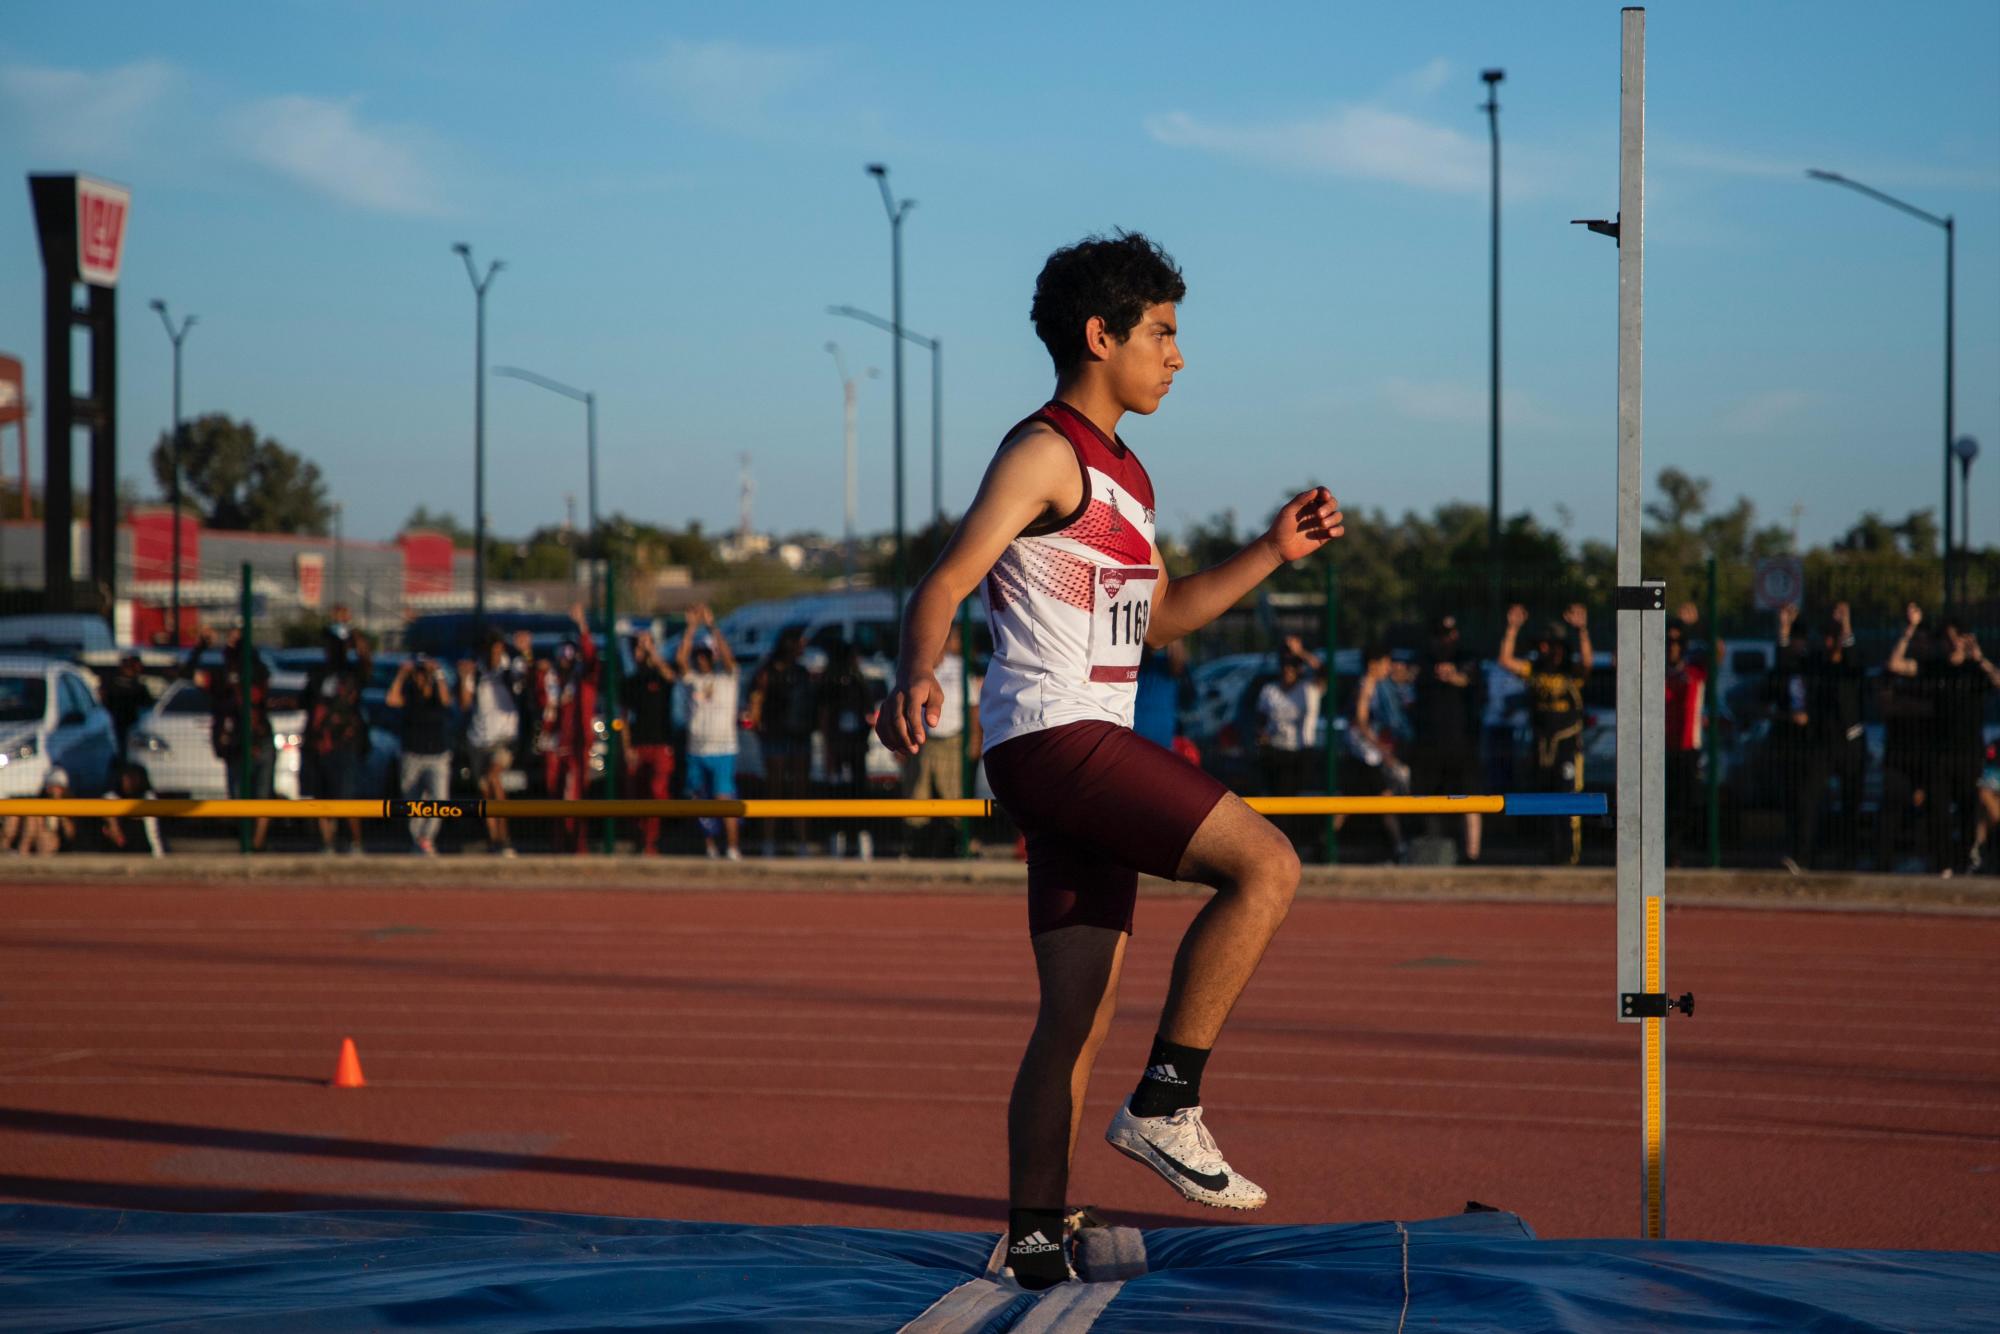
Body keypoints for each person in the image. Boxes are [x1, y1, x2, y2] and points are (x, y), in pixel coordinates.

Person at [876, 231, 1344, 1289]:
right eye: (1163, 333)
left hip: (1084, 741)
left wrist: (1271, 550)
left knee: (1073, 1015)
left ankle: (1035, 1234)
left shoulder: (1126, 473)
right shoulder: (1043, 451)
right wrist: (917, 673)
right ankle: (1168, 1099)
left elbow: (1160, 617)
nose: (1177, 356)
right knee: (1265, 863)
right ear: (1101, 335)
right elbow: (943, 582)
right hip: (1052, 736)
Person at [1889, 604, 1999, 875]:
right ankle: (1943, 864)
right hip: (1939, 752)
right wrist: (1909, 630)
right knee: (1937, 810)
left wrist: (1980, 658)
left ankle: (1965, 861)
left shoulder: (1975, 671)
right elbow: (1894, 664)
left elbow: (1997, 683)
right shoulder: (1935, 667)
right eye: (1947, 638)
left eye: (1956, 637)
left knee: (1967, 810)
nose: (1952, 643)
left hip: (1968, 752)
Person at [1776, 602, 1866, 873]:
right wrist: (1784, 628)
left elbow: (1853, 661)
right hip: (1823, 743)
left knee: (1851, 801)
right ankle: (1803, 857)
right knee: (1808, 798)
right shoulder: (1817, 664)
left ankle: (1848, 857)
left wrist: (1846, 624)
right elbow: (1788, 664)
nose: (1829, 642)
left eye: (1834, 637)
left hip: (1850, 742)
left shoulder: (1850, 665)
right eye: (1826, 637)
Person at [1499, 603, 1591, 866]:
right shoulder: (1535, 670)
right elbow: (1505, 660)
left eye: (1550, 645)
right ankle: (1551, 853)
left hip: (1567, 747)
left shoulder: (1571, 673)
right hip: (1542, 746)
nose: (1545, 649)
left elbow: (1587, 663)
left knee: (1569, 802)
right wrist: (1512, 628)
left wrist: (1582, 630)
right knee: (1546, 802)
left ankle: (1570, 856)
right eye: (1542, 644)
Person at [184, 628, 274, 853]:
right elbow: (188, 674)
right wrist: (200, 648)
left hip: (259, 740)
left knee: (262, 795)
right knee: (238, 796)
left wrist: (242, 643)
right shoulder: (221, 678)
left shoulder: (256, 673)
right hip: (235, 744)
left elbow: (260, 675)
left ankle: (257, 842)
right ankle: (248, 841)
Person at [903, 622, 982, 858]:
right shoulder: (914, 669)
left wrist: (975, 739)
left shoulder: (959, 668)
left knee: (954, 796)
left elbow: (973, 707)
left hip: (952, 742)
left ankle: (961, 845)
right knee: (917, 796)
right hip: (924, 742)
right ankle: (918, 847)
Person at [1409, 615, 1482, 862]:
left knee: (1471, 799)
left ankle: (1472, 854)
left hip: (1462, 743)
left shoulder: (1467, 658)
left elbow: (1470, 680)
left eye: (1449, 634)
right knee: (1430, 797)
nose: (1445, 640)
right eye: (1441, 635)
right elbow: (1409, 678)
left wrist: (1455, 676)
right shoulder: (1423, 660)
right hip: (1430, 743)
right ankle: (1436, 850)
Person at [676, 604, 742, 860]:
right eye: (699, 655)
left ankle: (733, 846)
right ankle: (710, 847)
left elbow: (729, 659)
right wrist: (692, 626)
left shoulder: (727, 680)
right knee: (701, 803)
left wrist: (712, 626)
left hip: (722, 748)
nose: (701, 659)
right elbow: (680, 660)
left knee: (724, 798)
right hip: (697, 748)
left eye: (706, 655)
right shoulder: (693, 681)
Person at [749, 627, 816, 855]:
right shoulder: (768, 672)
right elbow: (756, 701)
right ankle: (769, 841)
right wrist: (759, 728)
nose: (803, 647)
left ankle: (802, 842)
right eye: (800, 642)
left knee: (800, 791)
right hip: (776, 737)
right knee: (774, 789)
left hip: (800, 736)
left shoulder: (802, 672)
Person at [1256, 636, 1325, 855]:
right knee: (1277, 801)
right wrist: (1262, 734)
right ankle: (1278, 847)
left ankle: (1297, 846)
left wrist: (1300, 652)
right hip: (1277, 751)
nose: (1288, 671)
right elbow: (1260, 719)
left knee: (1299, 801)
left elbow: (1323, 672)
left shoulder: (1308, 689)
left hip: (1300, 752)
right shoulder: (1270, 691)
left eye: (1292, 667)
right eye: (1285, 667)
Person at [1343, 642, 1410, 862]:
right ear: (1373, 664)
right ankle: (1398, 846)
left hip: (1366, 752)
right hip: (1364, 753)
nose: (1388, 667)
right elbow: (1361, 721)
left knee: (1350, 801)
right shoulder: (1367, 685)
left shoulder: (1376, 685)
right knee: (1383, 798)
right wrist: (1381, 748)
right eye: (1386, 663)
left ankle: (1323, 843)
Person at [460, 634, 522, 857]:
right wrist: (463, 677)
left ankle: (505, 838)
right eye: (490, 651)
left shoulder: (510, 669)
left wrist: (526, 652)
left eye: (497, 650)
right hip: (479, 738)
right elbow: (465, 703)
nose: (493, 655)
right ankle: (493, 839)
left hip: (504, 737)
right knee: (485, 791)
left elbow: (524, 683)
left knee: (494, 777)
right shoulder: (477, 671)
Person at [388, 654, 454, 855]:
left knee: (439, 799)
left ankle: (426, 838)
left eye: (423, 673)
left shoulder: (437, 692)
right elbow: (391, 700)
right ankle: (418, 841)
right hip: (412, 754)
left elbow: (447, 701)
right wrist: (401, 675)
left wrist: (437, 673)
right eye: (418, 673)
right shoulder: (409, 693)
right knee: (412, 801)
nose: (420, 677)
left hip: (437, 755)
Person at [625, 630, 679, 856]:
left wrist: (651, 650)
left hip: (660, 744)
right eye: (638, 648)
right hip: (639, 746)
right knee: (637, 795)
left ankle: (652, 841)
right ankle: (639, 839)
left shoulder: (660, 677)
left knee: (657, 793)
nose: (641, 653)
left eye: (643, 648)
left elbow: (671, 676)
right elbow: (623, 717)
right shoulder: (630, 682)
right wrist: (627, 747)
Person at [1663, 621, 1709, 867]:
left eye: (1678, 642)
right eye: (1668, 642)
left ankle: (1678, 849)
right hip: (1660, 749)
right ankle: (1668, 851)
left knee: (1688, 801)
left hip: (1688, 748)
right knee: (1664, 803)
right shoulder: (1655, 672)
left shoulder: (1694, 672)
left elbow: (1718, 651)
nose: (1673, 647)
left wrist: (1697, 628)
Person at [96, 760, 164, 856]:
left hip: (142, 846)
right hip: (117, 845)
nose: (130, 781)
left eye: (134, 777)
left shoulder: (148, 797)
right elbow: (108, 801)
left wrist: (158, 853)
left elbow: (154, 832)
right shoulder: (113, 796)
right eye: (127, 777)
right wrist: (114, 828)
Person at [2, 767, 75, 855]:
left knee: (47, 838)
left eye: (58, 787)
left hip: (59, 844)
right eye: (52, 786)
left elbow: (70, 834)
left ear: (63, 789)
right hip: (39, 839)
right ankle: (17, 853)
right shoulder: (39, 803)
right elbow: (31, 831)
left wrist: (62, 816)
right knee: (33, 826)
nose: (54, 790)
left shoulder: (70, 805)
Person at [100, 653, 151, 755]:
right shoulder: (112, 684)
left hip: (127, 724)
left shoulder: (139, 686)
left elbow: (147, 705)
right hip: (116, 723)